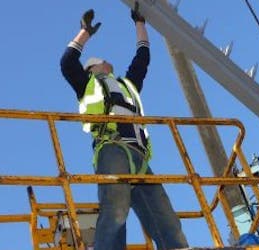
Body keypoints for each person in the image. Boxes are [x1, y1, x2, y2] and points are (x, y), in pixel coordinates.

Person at [59, 4, 189, 250]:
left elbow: (143, 58)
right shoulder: (87, 84)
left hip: (139, 157)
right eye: (101, 61)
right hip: (112, 148)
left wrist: (139, 23)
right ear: (92, 68)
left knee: (165, 217)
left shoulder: (127, 85)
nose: (108, 62)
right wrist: (84, 33)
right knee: (116, 210)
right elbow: (67, 62)